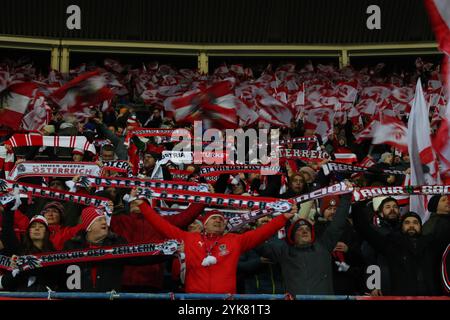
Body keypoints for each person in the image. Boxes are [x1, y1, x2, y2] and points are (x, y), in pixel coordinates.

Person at [137, 201, 296, 294]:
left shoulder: (234, 240)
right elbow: (162, 225)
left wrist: (283, 218)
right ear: (204, 225)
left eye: (221, 219)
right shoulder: (189, 238)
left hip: (226, 300)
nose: (218, 221)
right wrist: (143, 206)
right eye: (214, 219)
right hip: (195, 300)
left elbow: (262, 233)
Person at [255, 192, 352, 295]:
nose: (304, 231)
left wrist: (347, 196)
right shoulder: (284, 252)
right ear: (292, 235)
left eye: (307, 229)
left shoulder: (323, 246)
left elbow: (338, 222)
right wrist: (242, 226)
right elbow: (256, 244)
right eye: (300, 229)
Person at [352, 201, 450, 295]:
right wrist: (356, 204)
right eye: (407, 223)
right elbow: (365, 230)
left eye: (415, 222)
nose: (411, 225)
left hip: (432, 296)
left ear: (421, 227)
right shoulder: (391, 245)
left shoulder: (432, 243)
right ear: (401, 227)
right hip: (402, 296)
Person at [63, 206, 167, 292]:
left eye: (104, 219)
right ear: (88, 227)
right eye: (99, 220)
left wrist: (167, 251)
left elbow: (140, 256)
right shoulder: (72, 246)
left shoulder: (117, 243)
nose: (104, 222)